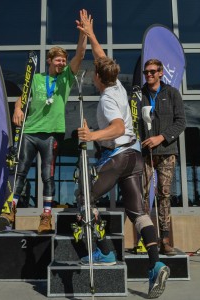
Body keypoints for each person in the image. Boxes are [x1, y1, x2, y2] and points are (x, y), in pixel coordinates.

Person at [76, 9, 170, 298]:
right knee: (139, 213)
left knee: (84, 198)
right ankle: (155, 266)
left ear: (98, 78)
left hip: (117, 156)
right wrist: (90, 35)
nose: (93, 73)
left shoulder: (106, 98)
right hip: (134, 158)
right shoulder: (116, 84)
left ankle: (104, 252)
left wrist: (92, 135)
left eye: (94, 72)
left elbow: (117, 127)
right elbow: (102, 58)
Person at [0, 12, 87, 234]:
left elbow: (81, 54)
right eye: (58, 60)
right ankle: (11, 210)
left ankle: (46, 217)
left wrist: (83, 33)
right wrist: (17, 108)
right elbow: (23, 96)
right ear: (49, 61)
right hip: (29, 131)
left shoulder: (65, 78)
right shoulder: (36, 78)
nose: (62, 63)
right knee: (20, 171)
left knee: (47, 176)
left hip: (50, 134)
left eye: (64, 61)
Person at [141, 59, 186, 255]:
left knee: (164, 195)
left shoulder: (172, 93)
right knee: (142, 196)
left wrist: (161, 137)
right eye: (146, 72)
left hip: (167, 152)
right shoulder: (138, 95)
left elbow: (181, 122)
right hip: (144, 154)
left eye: (152, 72)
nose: (149, 75)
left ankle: (165, 240)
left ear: (160, 73)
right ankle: (145, 240)